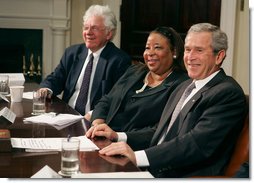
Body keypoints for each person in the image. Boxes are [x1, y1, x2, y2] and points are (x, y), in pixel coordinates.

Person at [86, 23, 247, 178]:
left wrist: (138, 157)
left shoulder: (227, 92)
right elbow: (161, 132)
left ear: (219, 56)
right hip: (154, 167)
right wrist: (120, 137)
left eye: (199, 50)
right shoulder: (185, 86)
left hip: (183, 174)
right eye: (188, 50)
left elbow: (196, 144)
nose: (190, 57)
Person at [86, 26, 188, 132]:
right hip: (102, 135)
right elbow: (107, 100)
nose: (150, 53)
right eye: (147, 48)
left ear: (174, 52)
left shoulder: (180, 84)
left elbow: (159, 130)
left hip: (132, 145)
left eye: (157, 48)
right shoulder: (134, 71)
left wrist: (119, 137)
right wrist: (97, 124)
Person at [38, 5, 131, 115]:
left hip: (94, 121)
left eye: (94, 28)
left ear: (108, 34)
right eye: (86, 27)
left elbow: (116, 99)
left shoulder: (119, 61)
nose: (88, 32)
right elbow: (56, 78)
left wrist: (93, 114)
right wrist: (46, 89)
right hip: (65, 116)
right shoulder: (72, 53)